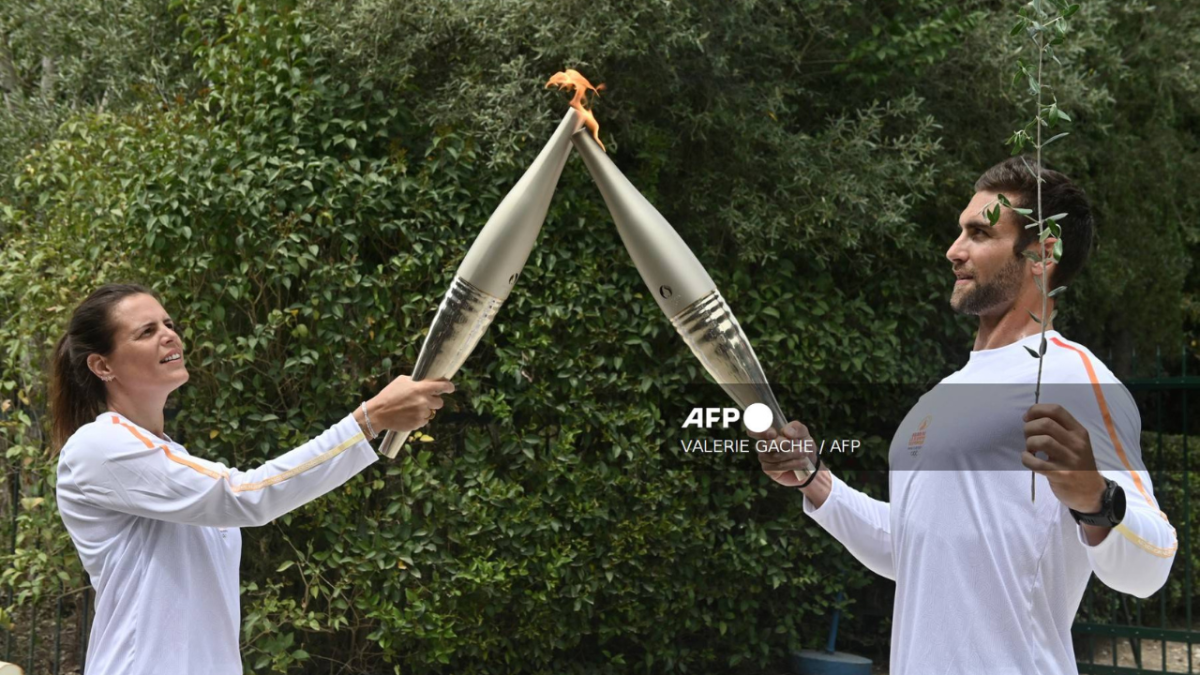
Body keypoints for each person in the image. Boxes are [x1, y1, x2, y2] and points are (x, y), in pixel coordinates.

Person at [756, 157, 1176, 674]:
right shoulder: (938, 397)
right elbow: (913, 548)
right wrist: (814, 481)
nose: (954, 251)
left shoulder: (1075, 377)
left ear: (1043, 253)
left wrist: (1095, 498)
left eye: (979, 233)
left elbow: (1152, 566)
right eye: (960, 231)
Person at [51, 283, 455, 675]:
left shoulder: (174, 459)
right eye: (147, 331)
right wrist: (369, 420)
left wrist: (371, 423)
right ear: (102, 365)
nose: (169, 336)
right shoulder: (99, 445)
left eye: (168, 324)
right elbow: (244, 495)